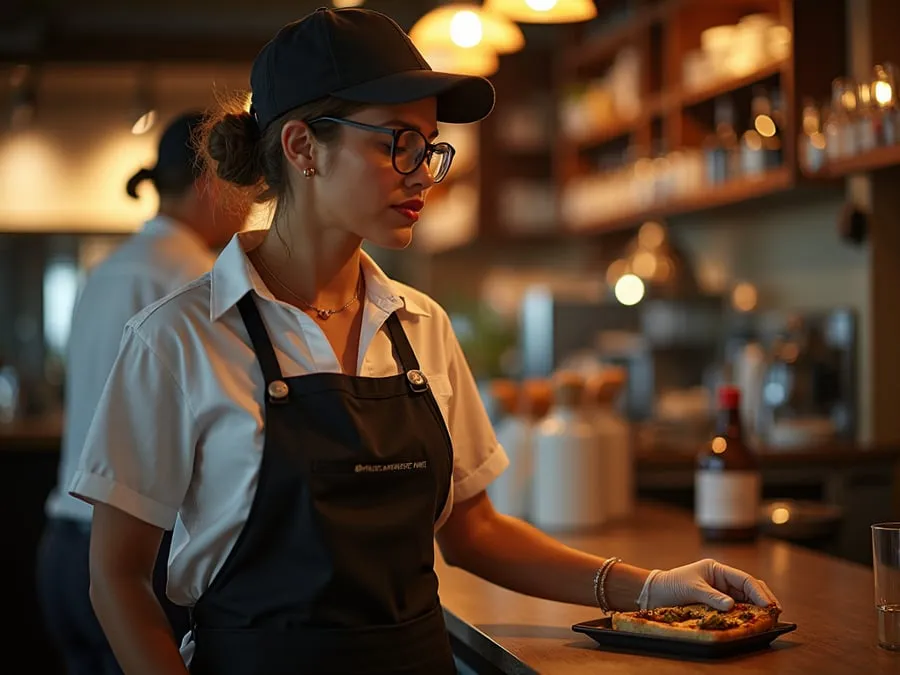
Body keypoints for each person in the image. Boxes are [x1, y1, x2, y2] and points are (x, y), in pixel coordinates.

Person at [69, 8, 780, 675]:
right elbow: (117, 577)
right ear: (303, 147)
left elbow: (476, 532)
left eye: (429, 147)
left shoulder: (422, 326)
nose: (422, 174)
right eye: (397, 143)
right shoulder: (178, 338)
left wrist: (650, 587)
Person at [37, 111, 249, 675]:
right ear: (211, 184)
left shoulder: (105, 270)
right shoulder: (197, 282)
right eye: (243, 185)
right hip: (134, 559)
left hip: (62, 547)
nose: (251, 206)